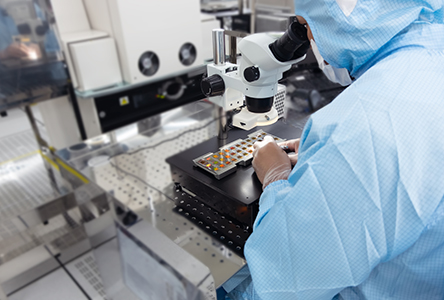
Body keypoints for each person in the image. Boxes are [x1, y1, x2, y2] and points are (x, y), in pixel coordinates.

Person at [225, 0, 444, 299]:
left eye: (306, 27)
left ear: (341, 17)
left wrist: (275, 176)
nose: (310, 39)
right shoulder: (431, 55)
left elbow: (283, 285)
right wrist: (328, 157)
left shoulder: (366, 125)